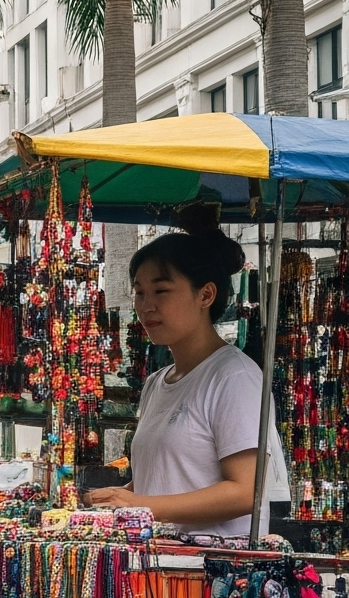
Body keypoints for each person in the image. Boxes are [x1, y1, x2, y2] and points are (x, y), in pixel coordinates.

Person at [85, 221, 290, 537]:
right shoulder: (157, 383)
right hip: (156, 569)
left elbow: (247, 491)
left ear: (206, 294)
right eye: (139, 292)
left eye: (161, 291)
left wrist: (139, 504)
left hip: (211, 573)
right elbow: (162, 482)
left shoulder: (234, 378)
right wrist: (112, 499)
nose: (146, 306)